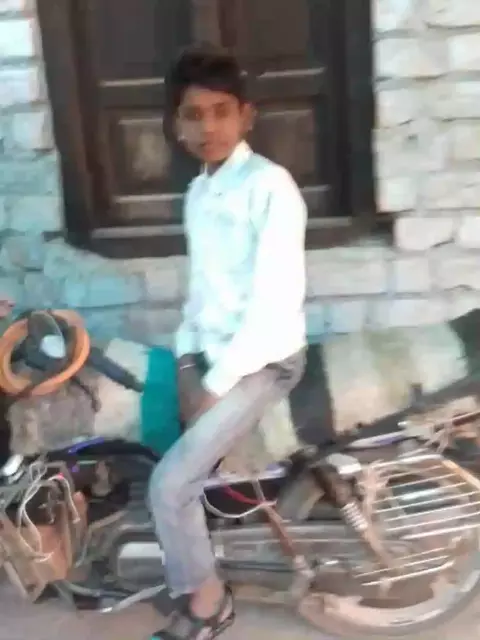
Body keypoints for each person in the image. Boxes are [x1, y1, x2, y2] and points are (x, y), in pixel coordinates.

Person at [148, 44, 307, 640]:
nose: (207, 127)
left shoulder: (270, 187)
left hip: (267, 360)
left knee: (170, 485)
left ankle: (210, 605)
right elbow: (200, 295)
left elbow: (272, 309)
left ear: (246, 116)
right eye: (193, 114)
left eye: (220, 111)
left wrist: (213, 386)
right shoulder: (198, 192)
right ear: (176, 124)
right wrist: (188, 359)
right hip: (213, 355)